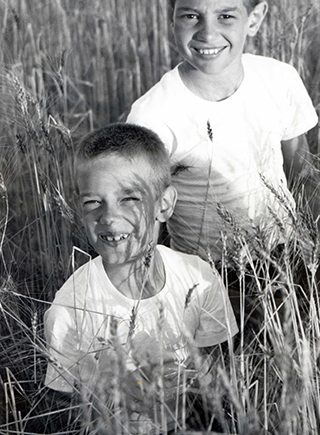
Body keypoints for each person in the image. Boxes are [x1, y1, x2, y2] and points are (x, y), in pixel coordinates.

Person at [126, 0, 319, 263]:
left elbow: (304, 174)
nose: (208, 33)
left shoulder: (279, 79)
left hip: (291, 259)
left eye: (225, 16)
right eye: (191, 16)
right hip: (212, 279)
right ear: (171, 13)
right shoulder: (152, 116)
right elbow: (140, 222)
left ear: (254, 19)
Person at [44, 123, 238, 434]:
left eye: (129, 199)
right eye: (93, 202)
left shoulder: (200, 280)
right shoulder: (70, 307)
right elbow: (63, 410)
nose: (108, 217)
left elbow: (216, 382)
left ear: (164, 204)